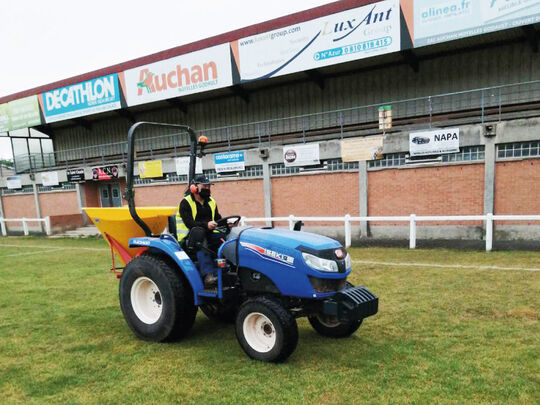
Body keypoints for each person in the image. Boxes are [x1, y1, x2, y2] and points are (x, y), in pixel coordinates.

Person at [175, 175, 226, 285]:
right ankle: (208, 274)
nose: (207, 189)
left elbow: (217, 218)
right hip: (191, 237)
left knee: (222, 238)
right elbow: (189, 223)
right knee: (200, 236)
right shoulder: (185, 203)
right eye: (205, 186)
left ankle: (226, 268)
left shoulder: (211, 201)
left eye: (209, 187)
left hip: (208, 232)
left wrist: (227, 224)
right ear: (194, 188)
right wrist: (206, 225)